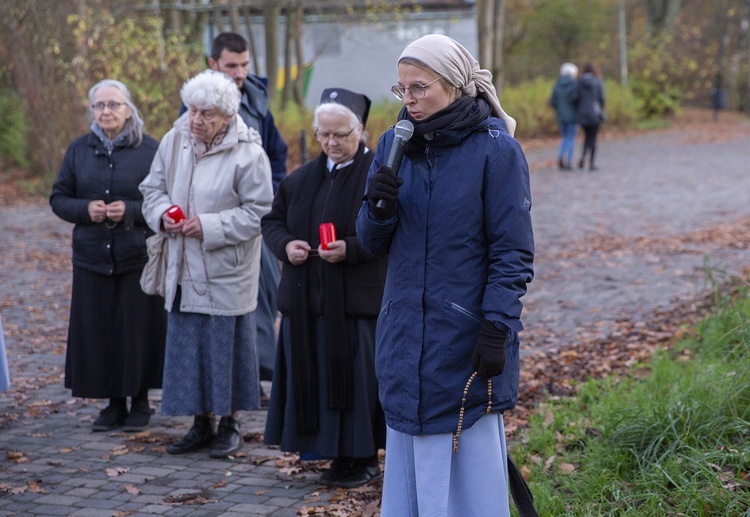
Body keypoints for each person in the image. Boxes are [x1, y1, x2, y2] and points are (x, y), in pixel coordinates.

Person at [356, 34, 534, 515]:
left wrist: (497, 326)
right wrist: (378, 205)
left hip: (465, 339)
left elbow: (513, 252)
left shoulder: (496, 151)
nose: (408, 100)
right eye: (401, 90)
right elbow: (371, 243)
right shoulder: (394, 144)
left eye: (419, 87)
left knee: (465, 486)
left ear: (454, 85)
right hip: (403, 333)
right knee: (412, 481)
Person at [139, 70, 273, 458]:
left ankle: (230, 424)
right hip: (183, 264)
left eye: (207, 114)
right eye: (194, 111)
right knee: (188, 347)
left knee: (225, 349)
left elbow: (260, 212)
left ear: (228, 116)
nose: (197, 120)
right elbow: (152, 188)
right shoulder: (175, 138)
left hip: (225, 269)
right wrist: (163, 213)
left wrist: (210, 226)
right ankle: (200, 423)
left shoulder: (248, 152)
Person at [262, 88, 387, 488]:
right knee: (315, 378)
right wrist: (287, 246)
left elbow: (390, 233)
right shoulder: (301, 180)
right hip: (307, 302)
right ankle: (330, 453)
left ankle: (362, 458)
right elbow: (272, 223)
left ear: (361, 131)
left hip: (353, 304)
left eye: (340, 134)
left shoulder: (378, 178)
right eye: (323, 135)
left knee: (356, 383)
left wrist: (349, 249)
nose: (331, 143)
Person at [50, 79, 167, 432]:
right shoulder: (79, 150)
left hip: (137, 256)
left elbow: (165, 202)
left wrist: (130, 210)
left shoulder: (151, 150)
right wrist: (87, 209)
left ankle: (140, 402)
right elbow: (58, 198)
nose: (106, 111)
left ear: (129, 109)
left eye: (113, 104)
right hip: (91, 257)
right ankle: (113, 404)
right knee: (101, 330)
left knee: (138, 331)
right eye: (99, 106)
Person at [204, 32, 288, 397]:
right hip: (216, 226)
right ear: (213, 65)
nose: (240, 73)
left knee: (264, 298)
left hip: (258, 220)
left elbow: (277, 155)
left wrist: (275, 199)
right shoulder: (196, 106)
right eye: (231, 65)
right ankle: (236, 380)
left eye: (245, 65)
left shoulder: (257, 99)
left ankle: (261, 374)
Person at [574, 62, 606, 171]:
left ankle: (582, 159)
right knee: (593, 139)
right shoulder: (598, 81)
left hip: (582, 114)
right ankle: (591, 163)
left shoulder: (579, 82)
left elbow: (575, 98)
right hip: (595, 114)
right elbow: (602, 98)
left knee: (586, 138)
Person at [550, 62, 579, 170]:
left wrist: (559, 109)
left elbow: (553, 101)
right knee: (571, 138)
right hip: (573, 116)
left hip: (561, 116)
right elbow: (577, 100)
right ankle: (569, 162)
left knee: (564, 138)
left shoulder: (557, 85)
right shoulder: (575, 85)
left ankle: (561, 156)